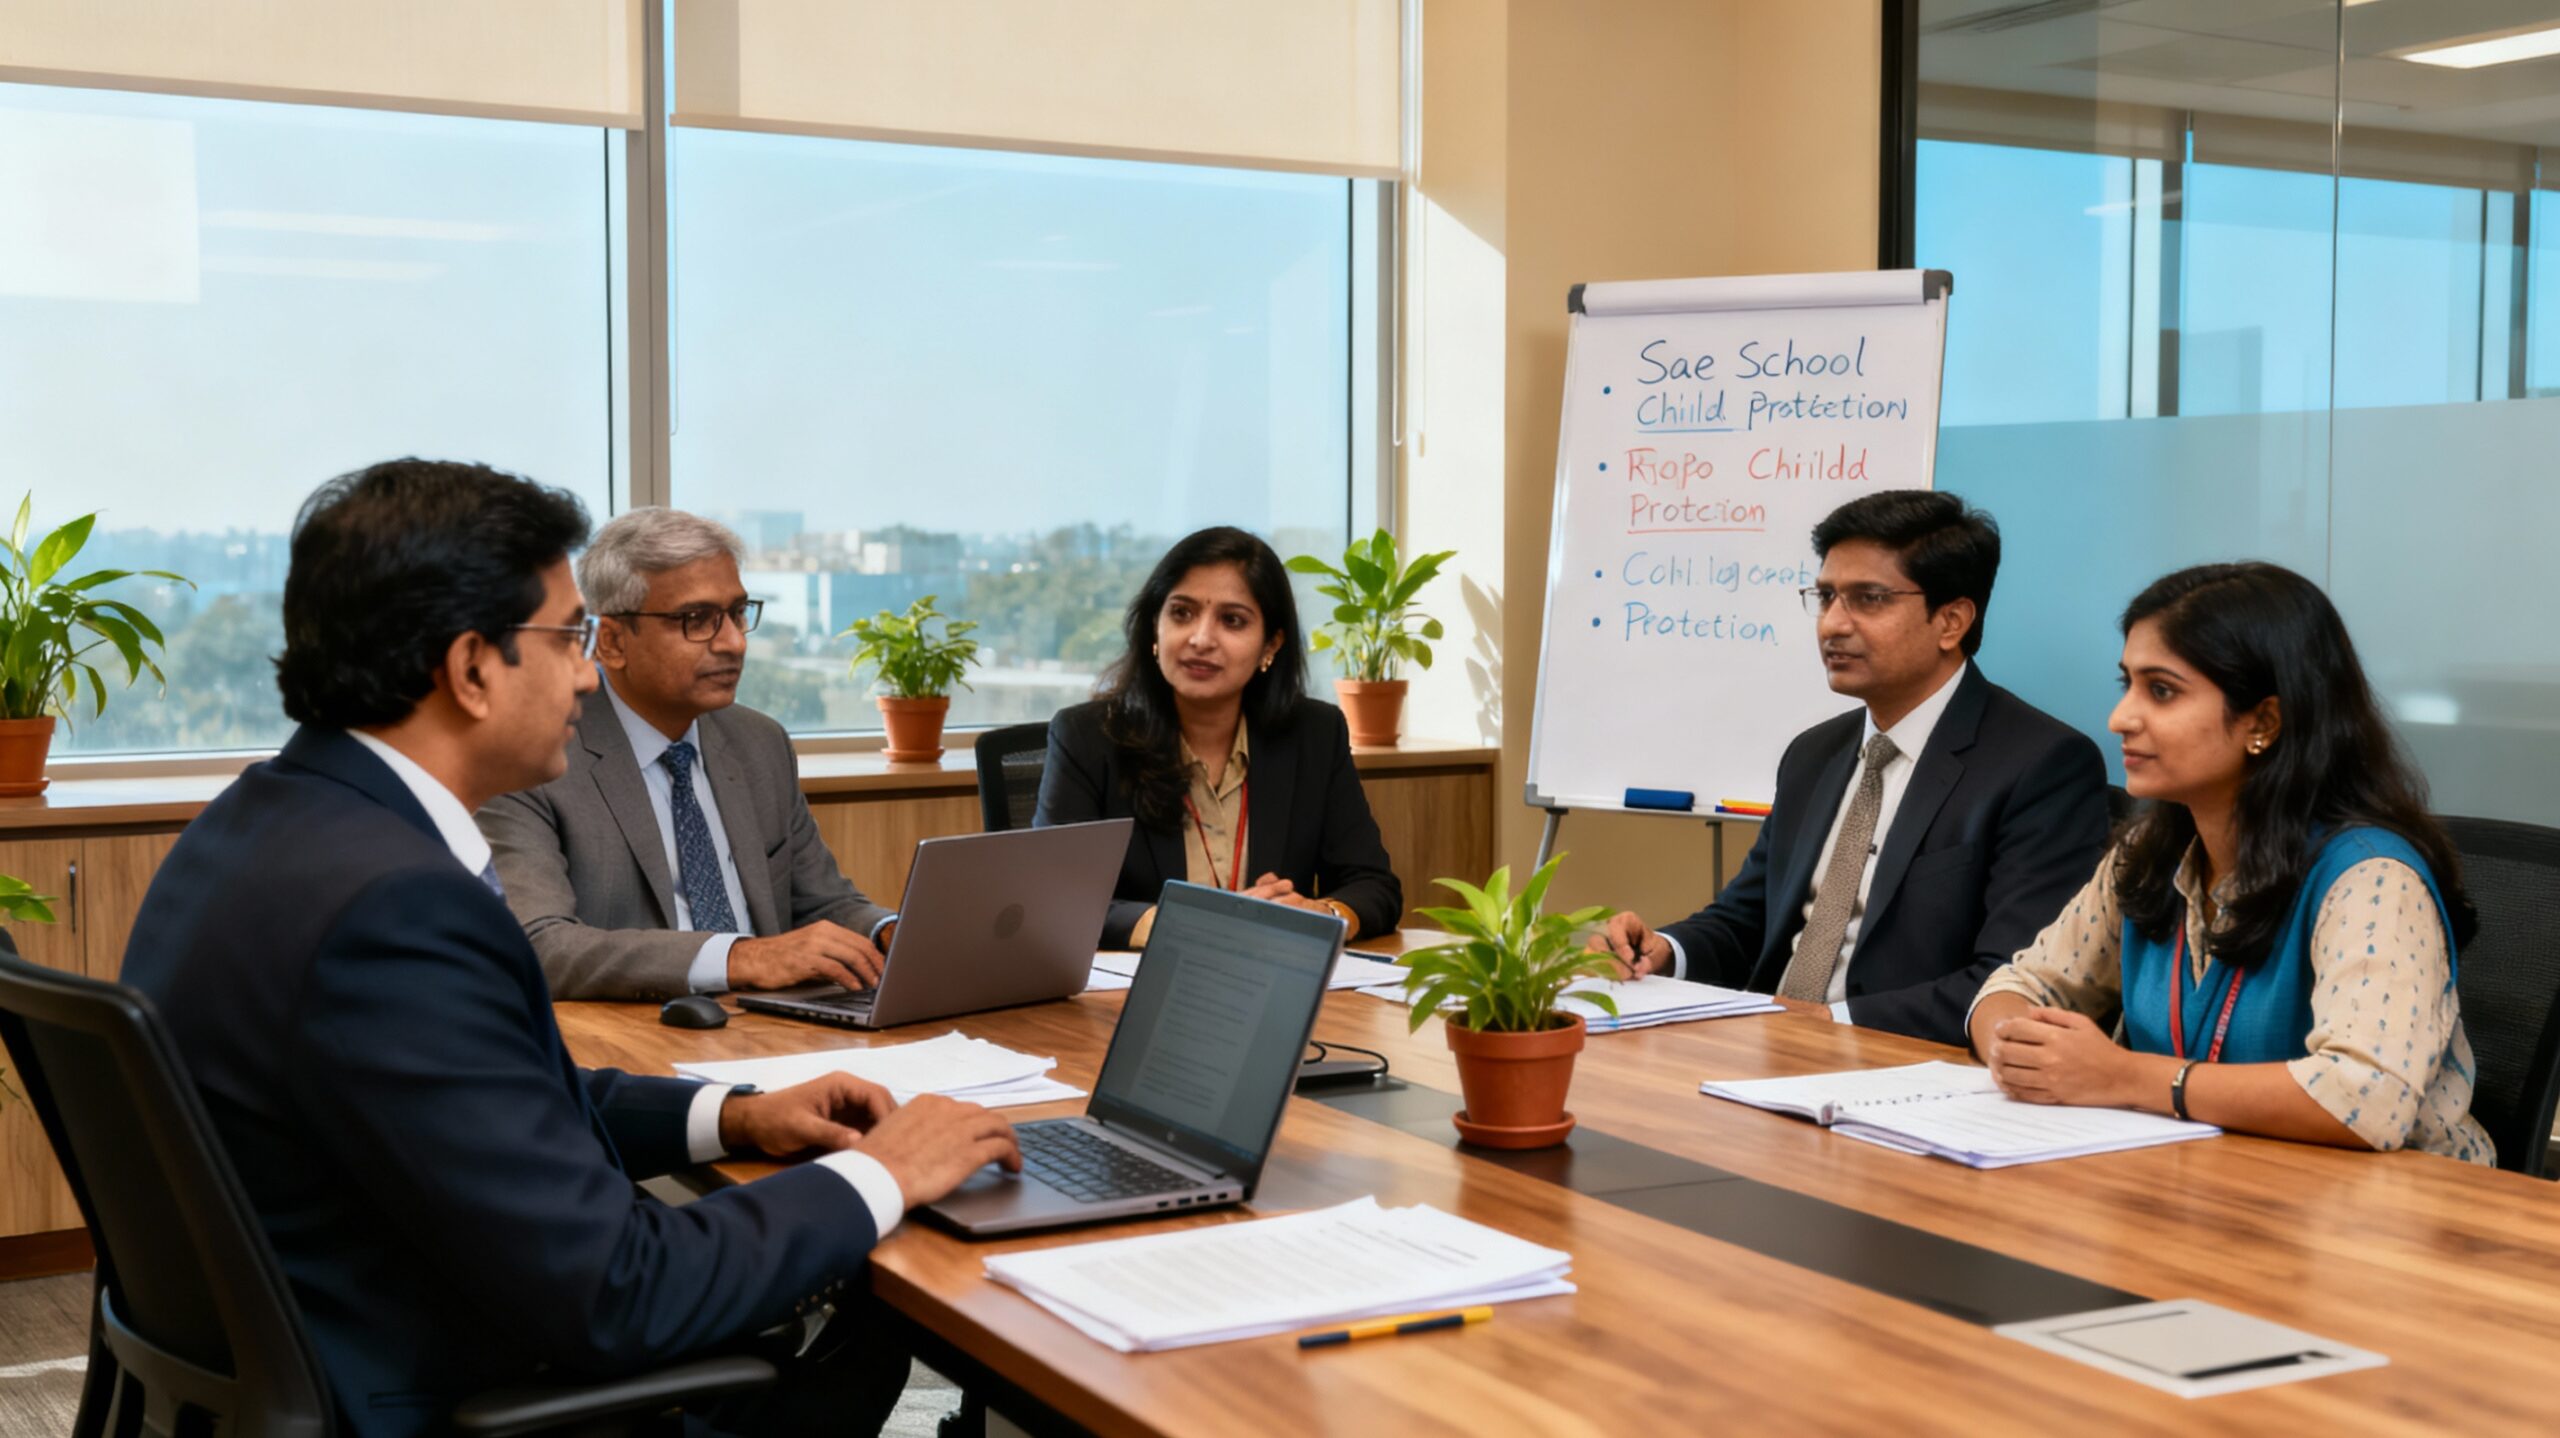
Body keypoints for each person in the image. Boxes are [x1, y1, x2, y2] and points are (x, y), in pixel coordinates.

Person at [120, 460, 1020, 1437]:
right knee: (861, 1301)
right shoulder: (395, 910)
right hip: (441, 1392)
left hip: (337, 1338)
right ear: (471, 668)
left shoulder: (257, 826)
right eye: (568, 638)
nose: (588, 674)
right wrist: (883, 1171)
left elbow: (501, 1097)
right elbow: (621, 1292)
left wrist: (742, 1115)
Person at [1969, 563, 2492, 1163]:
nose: (2121, 718)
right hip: (2206, 1180)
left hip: (2394, 1219)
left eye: (2161, 691)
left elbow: (2364, 1099)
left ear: (2264, 722)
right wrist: (2017, 1046)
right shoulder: (2147, 855)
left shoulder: (2371, 877)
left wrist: (2122, 1076)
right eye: (2128, 685)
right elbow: (2021, 985)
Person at [1593, 490, 2109, 1046]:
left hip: (1898, 1066)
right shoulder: (1814, 754)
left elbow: (2007, 982)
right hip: (1769, 1049)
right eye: (1826, 596)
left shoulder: (2042, 764)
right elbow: (1747, 921)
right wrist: (1663, 950)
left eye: (1869, 599)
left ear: (1952, 621)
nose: (1832, 625)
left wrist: (1830, 1023)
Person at [479, 507, 899, 1001]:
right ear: (611, 642)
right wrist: (738, 958)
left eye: (738, 613)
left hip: (776, 1026)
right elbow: (540, 944)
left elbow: (824, 903)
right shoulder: (534, 761)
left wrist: (890, 931)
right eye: (696, 620)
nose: (734, 643)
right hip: (642, 1038)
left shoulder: (759, 743)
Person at [1036, 525, 1401, 948]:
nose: (1201, 638)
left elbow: (1374, 886)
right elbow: (1054, 902)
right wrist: (1191, 922)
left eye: (1232, 620)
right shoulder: (1087, 739)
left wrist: (1323, 914)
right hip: (1132, 995)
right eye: (1182, 613)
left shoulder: (1314, 735)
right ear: (1154, 628)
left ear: (1271, 645)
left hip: (1268, 987)